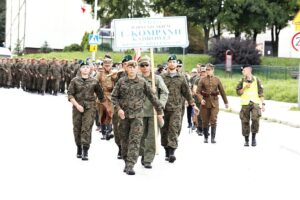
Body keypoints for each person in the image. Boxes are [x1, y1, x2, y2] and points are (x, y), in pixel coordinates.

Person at [111, 60, 163, 175]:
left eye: (134, 67)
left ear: (137, 69)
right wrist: (118, 109)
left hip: (138, 116)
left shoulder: (142, 82)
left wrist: (159, 111)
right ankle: (126, 161)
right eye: (130, 67)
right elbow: (114, 97)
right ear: (126, 69)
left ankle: (130, 164)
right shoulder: (121, 81)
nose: (132, 69)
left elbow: (152, 97)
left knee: (135, 140)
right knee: (124, 140)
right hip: (124, 116)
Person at [161, 54, 198, 163]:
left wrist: (193, 104)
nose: (172, 63)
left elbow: (187, 92)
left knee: (174, 128)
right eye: (170, 62)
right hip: (164, 107)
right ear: (167, 64)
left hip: (177, 108)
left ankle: (172, 151)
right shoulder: (162, 77)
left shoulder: (181, 77)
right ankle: (166, 150)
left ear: (177, 64)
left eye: (174, 62)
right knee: (164, 129)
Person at [67, 63, 104, 161]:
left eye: (87, 67)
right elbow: (70, 95)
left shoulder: (94, 81)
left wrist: (104, 106)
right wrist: (77, 105)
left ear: (90, 69)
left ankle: (85, 150)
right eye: (83, 67)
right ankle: (79, 147)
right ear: (80, 69)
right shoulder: (74, 81)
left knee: (86, 128)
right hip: (77, 107)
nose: (85, 69)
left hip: (90, 108)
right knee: (77, 128)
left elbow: (101, 95)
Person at [138, 56, 169, 169]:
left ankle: (148, 159)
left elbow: (165, 93)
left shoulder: (157, 79)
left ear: (151, 66)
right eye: (142, 65)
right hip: (139, 111)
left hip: (153, 111)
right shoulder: (136, 78)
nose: (145, 68)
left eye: (147, 65)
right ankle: (142, 154)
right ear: (139, 67)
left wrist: (160, 105)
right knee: (140, 135)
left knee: (152, 137)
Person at [196, 63, 228, 144]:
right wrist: (201, 99)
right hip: (205, 103)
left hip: (215, 102)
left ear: (213, 70)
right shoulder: (202, 80)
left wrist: (226, 102)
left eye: (209, 70)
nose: (207, 71)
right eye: (206, 70)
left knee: (213, 119)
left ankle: (213, 138)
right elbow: (198, 92)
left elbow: (222, 91)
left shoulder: (217, 79)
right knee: (205, 121)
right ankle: (206, 137)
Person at [236, 64, 265, 147]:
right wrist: (244, 87)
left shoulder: (257, 80)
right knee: (245, 121)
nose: (242, 72)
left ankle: (253, 138)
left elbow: (261, 93)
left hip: (255, 103)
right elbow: (238, 93)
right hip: (245, 104)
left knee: (255, 119)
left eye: (244, 70)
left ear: (249, 70)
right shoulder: (241, 81)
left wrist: (263, 104)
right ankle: (246, 140)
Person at [95, 55, 115, 140]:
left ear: (111, 64)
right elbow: (95, 84)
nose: (107, 65)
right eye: (105, 64)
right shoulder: (100, 73)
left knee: (110, 114)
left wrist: (114, 78)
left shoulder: (114, 73)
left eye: (109, 64)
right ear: (103, 65)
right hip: (102, 97)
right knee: (102, 115)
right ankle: (103, 133)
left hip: (111, 97)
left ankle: (109, 132)